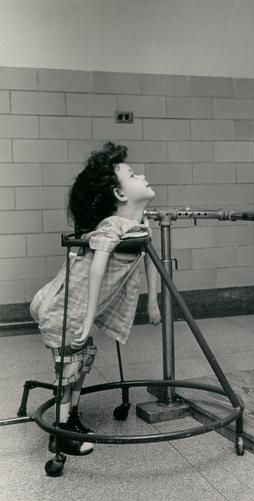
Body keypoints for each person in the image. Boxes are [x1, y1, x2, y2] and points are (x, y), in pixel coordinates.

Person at [30, 142, 161, 455]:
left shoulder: (140, 225)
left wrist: (153, 300)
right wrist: (88, 320)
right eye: (131, 174)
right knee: (69, 369)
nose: (141, 174)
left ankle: (71, 419)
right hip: (63, 308)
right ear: (120, 194)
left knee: (80, 363)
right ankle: (61, 433)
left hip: (74, 308)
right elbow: (96, 270)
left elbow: (151, 258)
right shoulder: (112, 225)